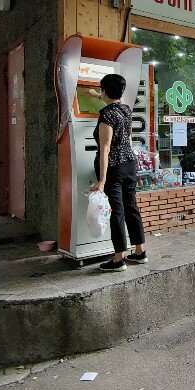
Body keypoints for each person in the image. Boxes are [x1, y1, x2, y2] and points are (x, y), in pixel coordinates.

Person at [88, 74, 147, 272]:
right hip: (130, 163)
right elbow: (126, 136)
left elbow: (105, 149)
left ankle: (119, 258)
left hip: (114, 167)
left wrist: (102, 181)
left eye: (101, 90)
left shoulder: (106, 115)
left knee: (117, 211)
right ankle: (139, 252)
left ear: (105, 91)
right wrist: (96, 94)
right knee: (131, 207)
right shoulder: (126, 109)